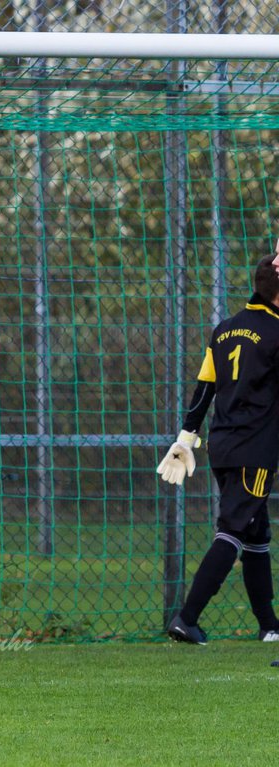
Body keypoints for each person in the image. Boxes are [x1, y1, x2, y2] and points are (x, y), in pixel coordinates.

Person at [158, 248, 279, 645]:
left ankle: (269, 625)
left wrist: (185, 438)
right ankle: (186, 618)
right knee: (231, 530)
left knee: (255, 533)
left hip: (222, 447)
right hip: (255, 451)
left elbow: (204, 388)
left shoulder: (224, 329)